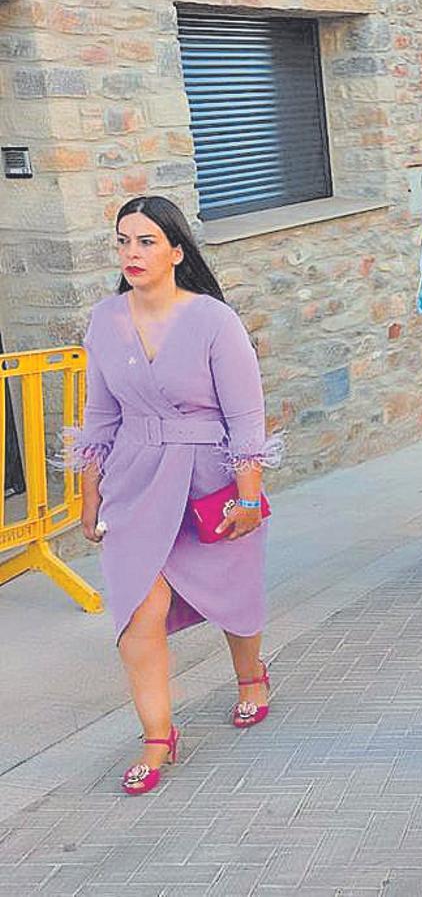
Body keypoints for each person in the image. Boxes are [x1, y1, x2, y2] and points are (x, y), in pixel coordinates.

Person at [64, 196, 279, 795]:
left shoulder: (214, 320)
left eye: (147, 241)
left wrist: (246, 496)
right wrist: (89, 495)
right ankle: (158, 735)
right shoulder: (105, 320)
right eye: (123, 241)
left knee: (234, 594)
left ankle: (249, 675)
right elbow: (99, 414)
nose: (132, 253)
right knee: (139, 609)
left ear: (177, 251)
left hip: (209, 481)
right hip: (135, 481)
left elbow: (246, 416)